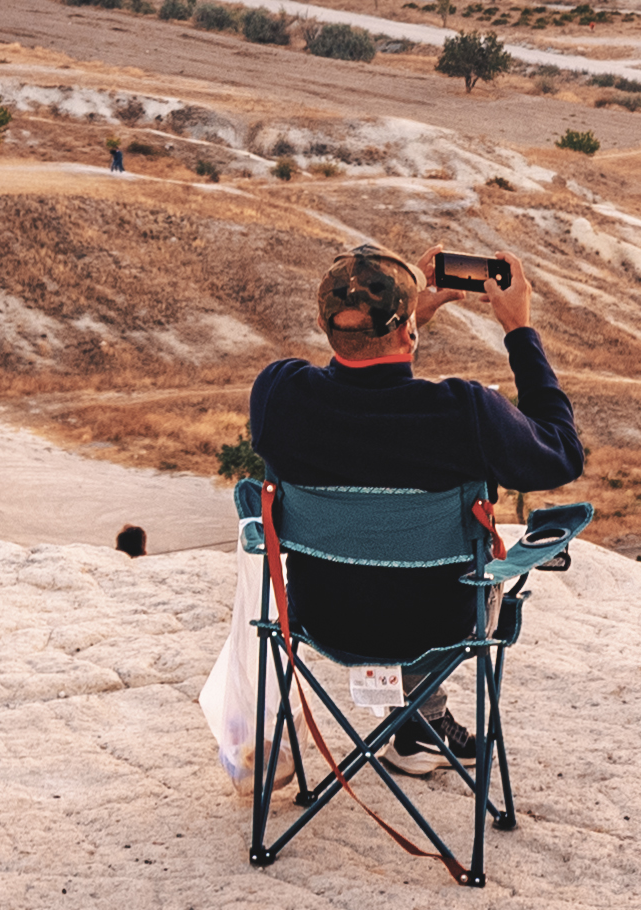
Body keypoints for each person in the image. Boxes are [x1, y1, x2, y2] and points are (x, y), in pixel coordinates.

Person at [246, 246, 583, 680]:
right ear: (406, 333)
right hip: (442, 628)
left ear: (322, 324)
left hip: (321, 620)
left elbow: (364, 391)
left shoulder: (278, 396)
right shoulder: (466, 413)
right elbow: (562, 454)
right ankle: (421, 707)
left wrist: (405, 323)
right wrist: (519, 329)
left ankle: (417, 713)